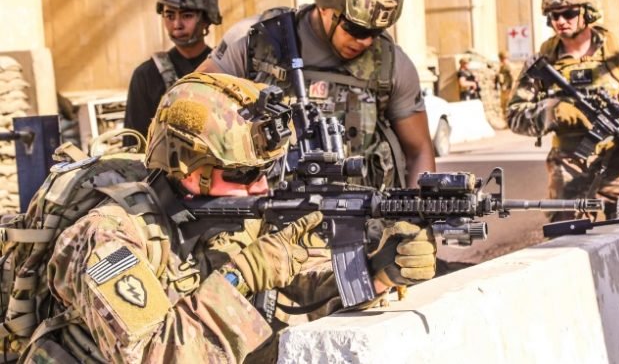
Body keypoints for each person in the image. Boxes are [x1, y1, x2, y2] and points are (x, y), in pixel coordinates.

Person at [23, 72, 436, 362]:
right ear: (188, 167)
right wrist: (242, 275)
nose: (260, 186)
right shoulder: (107, 238)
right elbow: (156, 355)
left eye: (267, 171)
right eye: (244, 174)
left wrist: (376, 272)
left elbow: (294, 292)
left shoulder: (233, 218)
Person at [197, 0, 434, 189]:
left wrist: (417, 209)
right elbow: (194, 107)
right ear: (324, 7)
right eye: (355, 29)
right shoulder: (255, 43)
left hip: (362, 210)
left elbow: (418, 151)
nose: (365, 41)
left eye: (375, 32)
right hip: (265, 208)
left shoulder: (391, 65)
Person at [506, 0, 619, 221]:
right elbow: (514, 115)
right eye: (554, 16)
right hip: (568, 174)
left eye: (568, 13)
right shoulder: (542, 63)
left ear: (588, 12)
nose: (560, 21)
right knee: (567, 240)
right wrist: (552, 112)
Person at [123, 0, 221, 147]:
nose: (177, 24)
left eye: (187, 16)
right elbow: (134, 145)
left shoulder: (224, 68)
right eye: (169, 15)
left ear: (207, 18)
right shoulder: (146, 75)